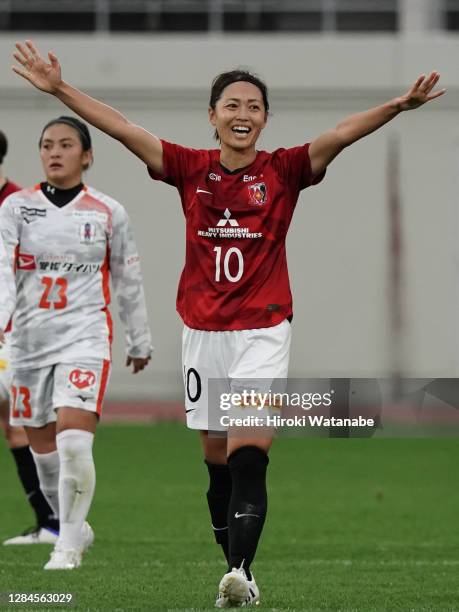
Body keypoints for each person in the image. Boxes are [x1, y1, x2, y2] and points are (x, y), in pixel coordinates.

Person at [10, 40, 444, 603]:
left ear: (265, 119)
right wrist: (60, 90)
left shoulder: (284, 170)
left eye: (254, 106)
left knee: (247, 452)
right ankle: (238, 569)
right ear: (212, 116)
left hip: (262, 332)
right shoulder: (189, 168)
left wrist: (396, 105)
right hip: (203, 335)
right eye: (232, 105)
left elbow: (339, 134)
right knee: (215, 461)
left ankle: (239, 569)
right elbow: (121, 127)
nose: (243, 114)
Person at [0, 114, 153, 570]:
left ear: (86, 156)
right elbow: (4, 272)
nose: (54, 152)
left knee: (73, 444)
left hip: (84, 339)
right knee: (42, 452)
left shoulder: (108, 211)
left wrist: (139, 339)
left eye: (66, 144)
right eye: (47, 144)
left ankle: (66, 546)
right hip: (27, 344)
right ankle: (74, 525)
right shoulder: (15, 209)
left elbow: (128, 278)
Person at [0, 129, 59, 545]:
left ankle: (54, 523)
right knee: (15, 424)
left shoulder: (20, 207)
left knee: (22, 422)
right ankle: (51, 523)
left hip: (14, 331)